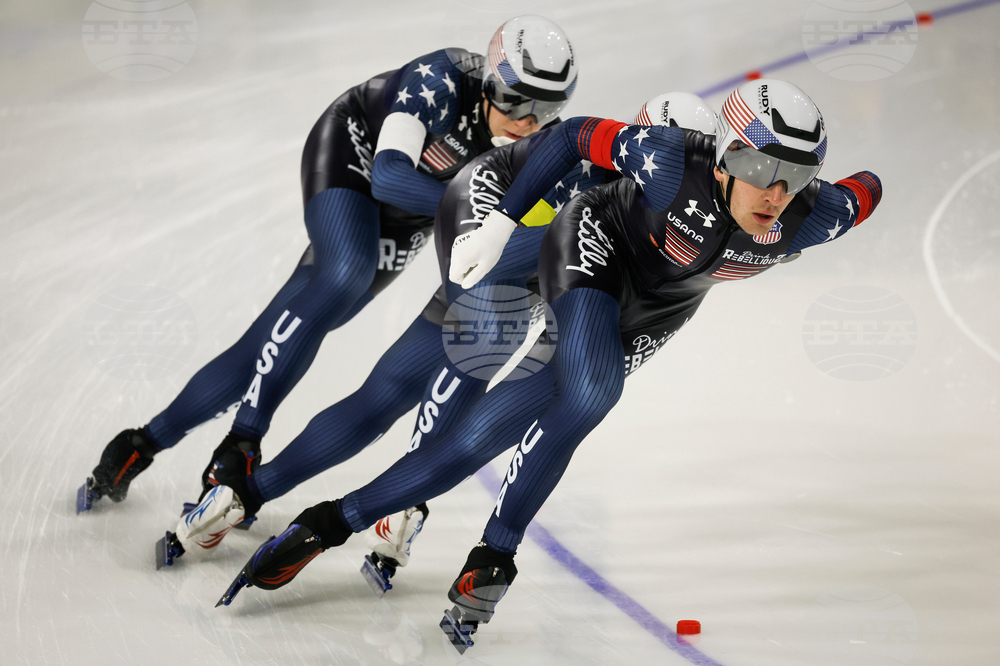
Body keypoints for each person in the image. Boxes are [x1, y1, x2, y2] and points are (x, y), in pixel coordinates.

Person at [221, 79, 881, 652]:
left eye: (798, 176)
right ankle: (498, 551)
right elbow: (569, 135)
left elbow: (868, 189)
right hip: (594, 245)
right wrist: (502, 223)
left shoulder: (815, 214)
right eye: (764, 168)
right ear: (728, 155)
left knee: (481, 438)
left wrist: (843, 183)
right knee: (592, 391)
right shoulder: (669, 161)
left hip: (658, 308)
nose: (778, 193)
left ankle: (329, 522)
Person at [165, 93, 718, 574]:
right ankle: (388, 505)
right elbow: (549, 257)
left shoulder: (657, 187)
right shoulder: (621, 188)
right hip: (496, 250)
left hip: (508, 259)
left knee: (388, 394)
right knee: (455, 378)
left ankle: (246, 494)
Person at [78, 15, 579, 513]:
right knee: (345, 274)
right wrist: (485, 219)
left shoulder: (540, 145)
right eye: (517, 101)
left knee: (286, 326)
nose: (527, 122)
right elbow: (388, 178)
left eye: (547, 108)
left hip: (413, 211)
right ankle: (243, 438)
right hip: (356, 155)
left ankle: (142, 442)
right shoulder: (441, 79)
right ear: (489, 83)